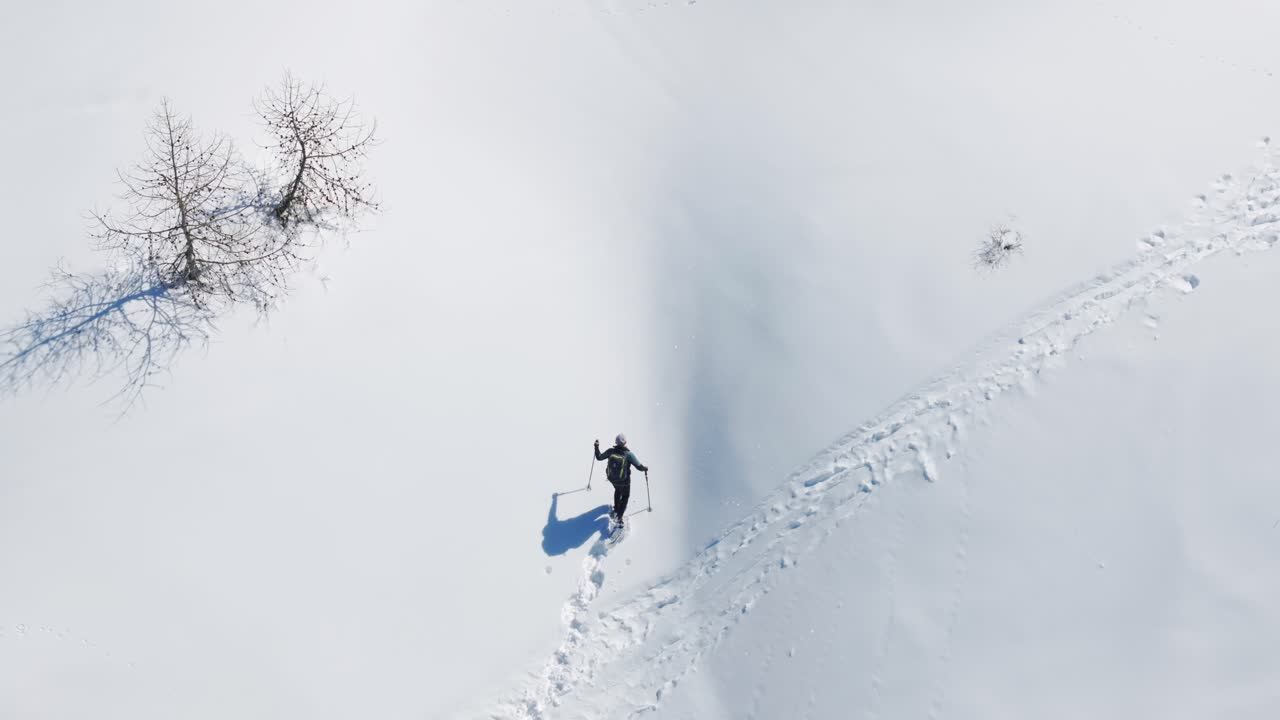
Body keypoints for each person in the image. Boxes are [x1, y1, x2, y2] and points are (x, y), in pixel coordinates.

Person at [594, 433, 648, 526]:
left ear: (616, 442)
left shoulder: (611, 451)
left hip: (612, 479)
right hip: (624, 482)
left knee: (617, 490)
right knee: (625, 496)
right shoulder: (628, 454)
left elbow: (599, 457)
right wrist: (645, 468)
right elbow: (639, 467)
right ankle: (619, 517)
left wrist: (596, 447)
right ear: (625, 442)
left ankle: (616, 509)